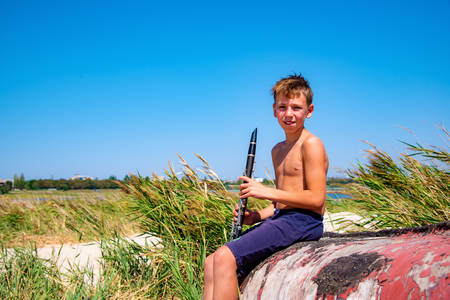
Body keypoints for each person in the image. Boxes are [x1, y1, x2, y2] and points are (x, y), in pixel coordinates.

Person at [203, 74, 329, 300]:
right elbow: (282, 202)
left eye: (296, 107)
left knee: (224, 257)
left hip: (304, 221)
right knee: (211, 260)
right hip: (283, 218)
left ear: (309, 111)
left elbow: (316, 199)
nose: (288, 114)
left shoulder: (311, 145)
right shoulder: (277, 150)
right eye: (282, 107)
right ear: (274, 110)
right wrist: (257, 215)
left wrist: (265, 191)